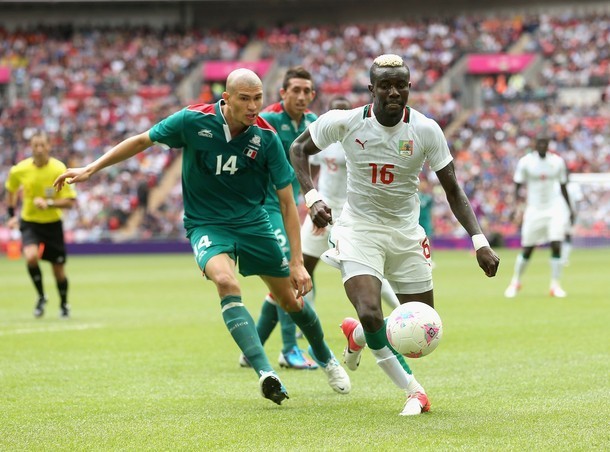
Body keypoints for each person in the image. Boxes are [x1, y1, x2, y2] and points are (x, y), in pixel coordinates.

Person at [54, 68, 350, 405]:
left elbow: (286, 202)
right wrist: (91, 168)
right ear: (226, 99)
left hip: (254, 224)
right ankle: (266, 372)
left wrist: (298, 263)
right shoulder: (192, 121)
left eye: (258, 99)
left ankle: (326, 358)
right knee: (226, 282)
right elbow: (141, 140)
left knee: (290, 301)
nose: (253, 106)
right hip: (206, 224)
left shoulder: (266, 139)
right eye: (245, 99)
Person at [290, 54, 500, 416]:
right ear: (371, 88)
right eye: (384, 85)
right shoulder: (346, 122)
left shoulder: (425, 130)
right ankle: (414, 392)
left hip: (405, 232)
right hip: (358, 228)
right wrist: (312, 197)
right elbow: (298, 149)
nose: (393, 92)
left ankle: (357, 335)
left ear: (408, 88)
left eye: (400, 85)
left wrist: (479, 240)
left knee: (423, 326)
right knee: (372, 312)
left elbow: (453, 188)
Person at [240, 66, 319, 370]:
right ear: (283, 93)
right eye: (294, 90)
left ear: (312, 95)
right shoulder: (267, 119)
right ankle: (289, 350)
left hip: (290, 206)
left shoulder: (313, 123)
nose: (300, 96)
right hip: (265, 205)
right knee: (287, 270)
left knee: (283, 281)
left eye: (306, 91)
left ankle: (252, 349)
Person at [302, 96, 400, 314]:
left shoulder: (358, 141)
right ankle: (307, 318)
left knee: (364, 268)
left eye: (343, 112)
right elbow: (315, 167)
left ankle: (402, 310)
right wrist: (310, 196)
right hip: (322, 207)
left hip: (347, 211)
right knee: (303, 264)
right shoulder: (321, 139)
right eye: (334, 111)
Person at [4, 130, 77, 318]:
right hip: (29, 221)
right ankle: (41, 296)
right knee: (30, 256)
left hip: (52, 223)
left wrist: (49, 203)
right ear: (31, 147)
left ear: (49, 146)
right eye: (35, 145)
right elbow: (10, 190)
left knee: (58, 270)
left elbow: (70, 201)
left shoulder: (59, 169)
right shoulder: (19, 170)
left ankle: (64, 304)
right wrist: (11, 214)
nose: (38, 149)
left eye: (42, 145)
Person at [504, 135, 573, 298]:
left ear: (548, 144)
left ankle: (555, 285)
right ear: (535, 145)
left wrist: (570, 210)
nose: (542, 145)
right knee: (528, 248)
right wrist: (514, 207)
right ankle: (515, 281)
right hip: (534, 208)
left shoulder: (557, 162)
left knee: (556, 244)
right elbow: (517, 186)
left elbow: (563, 187)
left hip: (553, 207)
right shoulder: (526, 162)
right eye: (540, 142)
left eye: (545, 142)